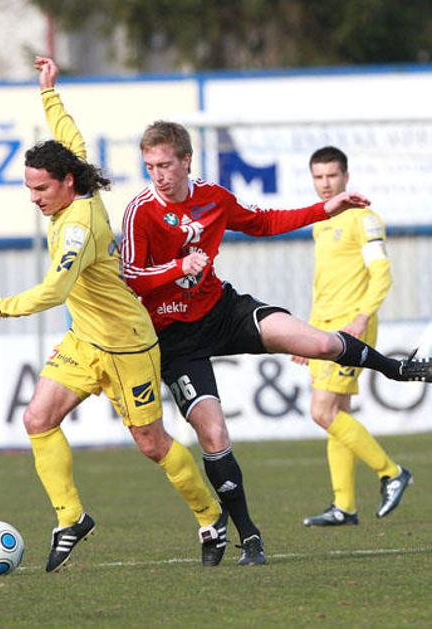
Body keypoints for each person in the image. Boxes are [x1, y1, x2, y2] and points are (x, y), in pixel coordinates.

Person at [120, 121, 432, 565]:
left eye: (165, 165)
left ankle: (397, 369)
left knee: (319, 344)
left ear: (186, 160)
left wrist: (325, 209)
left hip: (223, 312)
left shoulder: (214, 198)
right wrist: (177, 267)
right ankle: (249, 538)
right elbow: (131, 276)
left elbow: (264, 222)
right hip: (175, 337)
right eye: (150, 166)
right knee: (214, 434)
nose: (158, 174)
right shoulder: (140, 211)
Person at [0, 58, 226, 573]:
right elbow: (71, 135)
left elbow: (56, 289)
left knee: (152, 444)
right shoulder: (75, 180)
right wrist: (49, 91)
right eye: (29, 189)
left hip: (127, 345)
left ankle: (210, 517)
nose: (35, 199)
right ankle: (71, 518)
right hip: (86, 340)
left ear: (66, 183)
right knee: (38, 419)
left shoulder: (79, 227)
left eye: (41, 189)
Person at [292, 146, 412, 527]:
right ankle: (344, 506)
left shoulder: (365, 219)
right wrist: (307, 335)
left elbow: (382, 274)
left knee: (322, 412)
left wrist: (361, 317)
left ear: (346, 176)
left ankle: (392, 473)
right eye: (318, 177)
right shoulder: (321, 223)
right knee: (336, 414)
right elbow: (323, 285)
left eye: (332, 176)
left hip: (350, 328)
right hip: (325, 329)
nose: (325, 183)